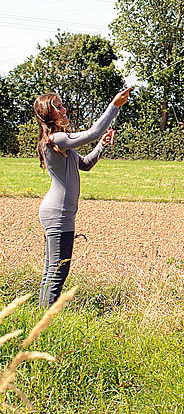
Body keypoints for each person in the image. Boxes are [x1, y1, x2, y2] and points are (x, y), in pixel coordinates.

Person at [33, 87, 131, 307]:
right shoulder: (56, 139)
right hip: (58, 213)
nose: (63, 109)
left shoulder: (59, 143)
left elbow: (85, 164)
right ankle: (46, 320)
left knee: (53, 270)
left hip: (58, 212)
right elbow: (92, 132)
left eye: (61, 105)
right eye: (57, 107)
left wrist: (102, 145)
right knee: (58, 271)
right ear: (48, 115)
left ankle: (40, 315)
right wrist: (114, 106)